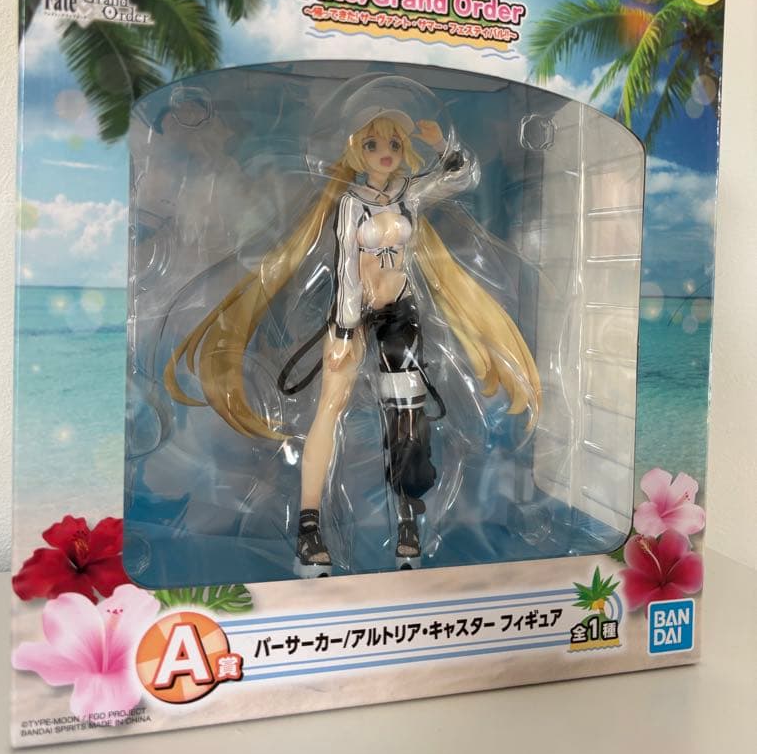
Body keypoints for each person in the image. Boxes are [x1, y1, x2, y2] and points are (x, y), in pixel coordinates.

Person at [165, 83, 540, 576]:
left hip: (400, 317)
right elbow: (345, 266)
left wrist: (440, 144)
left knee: (406, 418)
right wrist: (343, 330)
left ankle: (408, 521)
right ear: (356, 150)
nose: (385, 153)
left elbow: (460, 175)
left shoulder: (408, 195)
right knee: (329, 410)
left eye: (394, 144)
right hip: (353, 317)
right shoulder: (350, 203)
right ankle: (309, 525)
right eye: (373, 144)